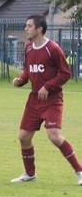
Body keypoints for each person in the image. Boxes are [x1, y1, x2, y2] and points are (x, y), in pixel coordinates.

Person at [11, 14, 82, 185]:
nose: (25, 29)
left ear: (39, 29)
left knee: (55, 136)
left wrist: (48, 86)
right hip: (34, 100)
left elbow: (65, 73)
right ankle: (30, 174)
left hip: (52, 100)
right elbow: (29, 70)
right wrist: (21, 79)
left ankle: (80, 171)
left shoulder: (53, 48)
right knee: (23, 137)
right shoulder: (28, 48)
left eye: (29, 26)